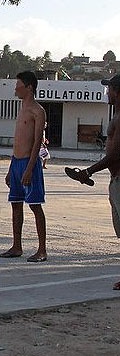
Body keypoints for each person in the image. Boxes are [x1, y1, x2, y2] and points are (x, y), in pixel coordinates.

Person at [65, 74, 120, 290]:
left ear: (117, 90)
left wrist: (88, 172)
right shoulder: (116, 116)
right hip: (115, 178)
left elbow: (116, 154)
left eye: (109, 89)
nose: (107, 93)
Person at [0, 71, 48, 262]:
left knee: (35, 206)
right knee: (16, 205)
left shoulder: (38, 111)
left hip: (30, 163)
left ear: (29, 87)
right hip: (16, 162)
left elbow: (37, 141)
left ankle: (42, 249)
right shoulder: (21, 108)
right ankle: (17, 246)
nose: (15, 88)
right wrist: (11, 168)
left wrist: (29, 168)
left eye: (18, 85)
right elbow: (18, 140)